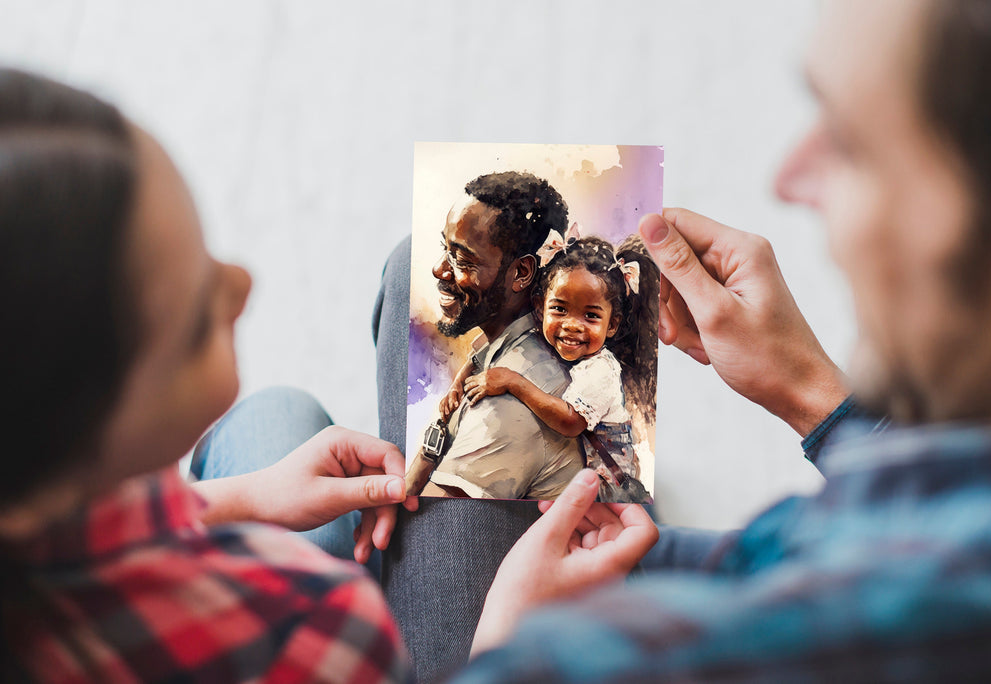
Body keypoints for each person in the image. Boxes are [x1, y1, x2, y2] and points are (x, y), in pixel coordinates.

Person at [381, 0, 991, 679]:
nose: (788, 179)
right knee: (295, 414)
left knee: (317, 379)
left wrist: (506, 640)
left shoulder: (580, 661)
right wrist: (814, 397)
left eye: (852, 144)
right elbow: (796, 543)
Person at [0, 68, 417, 682]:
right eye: (198, 322)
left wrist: (250, 495)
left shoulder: (33, 490)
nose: (243, 281)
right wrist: (510, 639)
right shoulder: (319, 626)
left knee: (282, 411)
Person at [407, 171, 583, 501]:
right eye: (445, 250)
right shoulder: (495, 354)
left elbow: (438, 528)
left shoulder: (506, 406)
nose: (439, 269)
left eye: (461, 258)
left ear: (521, 273)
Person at [457, 234, 659, 503]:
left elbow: (571, 421)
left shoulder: (601, 370)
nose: (572, 325)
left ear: (612, 324)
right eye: (560, 309)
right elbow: (486, 345)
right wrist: (456, 385)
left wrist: (512, 381)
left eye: (591, 316)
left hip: (603, 494)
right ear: (541, 308)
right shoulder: (549, 342)